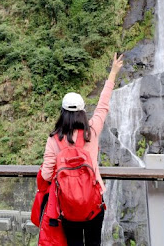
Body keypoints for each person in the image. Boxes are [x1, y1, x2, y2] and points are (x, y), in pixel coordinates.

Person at [40, 53, 124, 246]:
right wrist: (113, 72)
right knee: (94, 243)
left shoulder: (54, 140)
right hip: (93, 203)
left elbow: (45, 175)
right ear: (83, 112)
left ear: (62, 113)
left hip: (68, 206)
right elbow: (103, 105)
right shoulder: (92, 131)